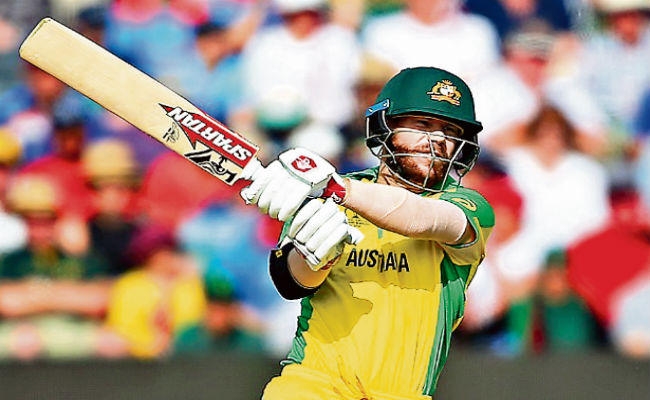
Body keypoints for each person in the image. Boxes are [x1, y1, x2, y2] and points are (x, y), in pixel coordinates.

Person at [241, 66, 494, 399]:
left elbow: (423, 218)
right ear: (384, 127)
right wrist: (316, 258)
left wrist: (336, 189)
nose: (437, 140)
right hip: (313, 385)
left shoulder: (468, 206)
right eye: (422, 124)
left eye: (449, 130)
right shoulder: (329, 197)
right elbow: (290, 283)